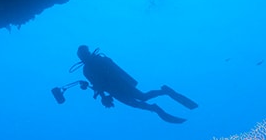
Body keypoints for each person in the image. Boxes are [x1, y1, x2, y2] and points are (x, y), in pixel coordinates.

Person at [70, 45, 198, 123]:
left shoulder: (98, 61)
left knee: (142, 98)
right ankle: (157, 106)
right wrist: (104, 97)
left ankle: (164, 92)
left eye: (84, 53)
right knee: (137, 103)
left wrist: (104, 96)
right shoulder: (86, 70)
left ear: (87, 52)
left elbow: (106, 76)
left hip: (121, 85)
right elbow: (96, 84)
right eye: (81, 55)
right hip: (114, 90)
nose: (84, 56)